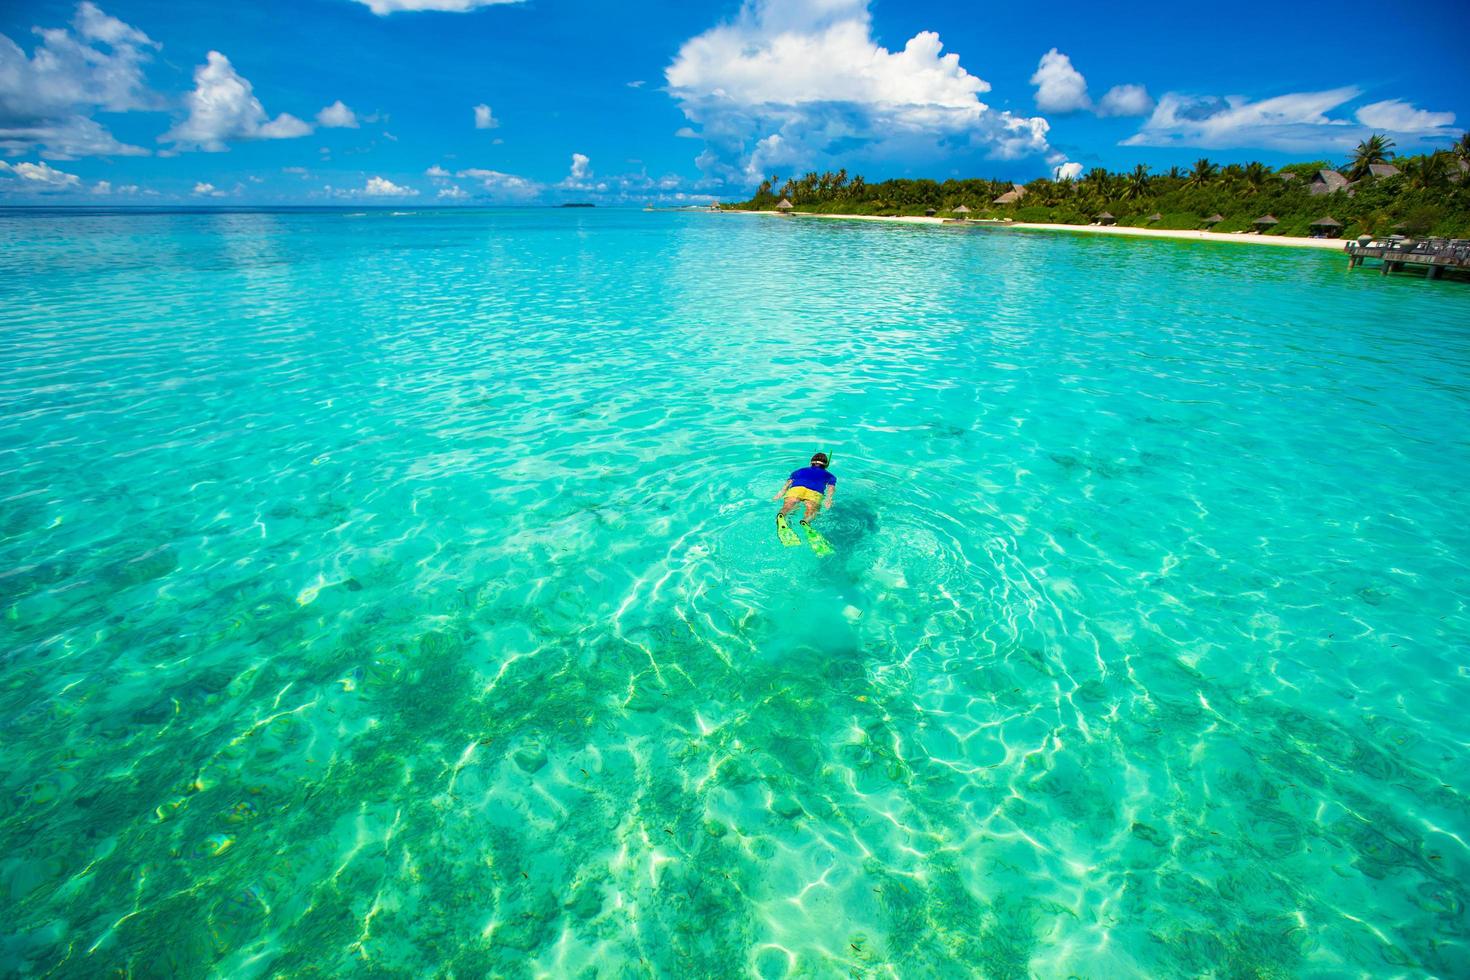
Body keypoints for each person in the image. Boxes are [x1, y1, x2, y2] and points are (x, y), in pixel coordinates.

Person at [774, 452, 836, 529]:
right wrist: (828, 499)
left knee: (787, 507)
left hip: (796, 489)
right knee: (811, 511)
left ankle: (781, 515)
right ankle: (806, 521)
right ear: (826, 465)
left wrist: (781, 493)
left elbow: (788, 482)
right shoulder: (830, 476)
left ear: (811, 463)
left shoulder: (799, 470)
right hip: (814, 493)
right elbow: (831, 488)